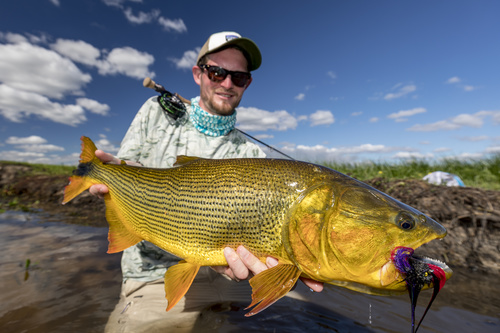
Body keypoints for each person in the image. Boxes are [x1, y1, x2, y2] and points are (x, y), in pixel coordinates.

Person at [90, 31, 323, 332]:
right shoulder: (156, 113)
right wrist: (122, 173)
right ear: (198, 74)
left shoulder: (251, 154)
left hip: (232, 279)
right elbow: (128, 166)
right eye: (217, 72)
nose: (227, 84)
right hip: (152, 275)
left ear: (247, 84)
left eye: (239, 78)